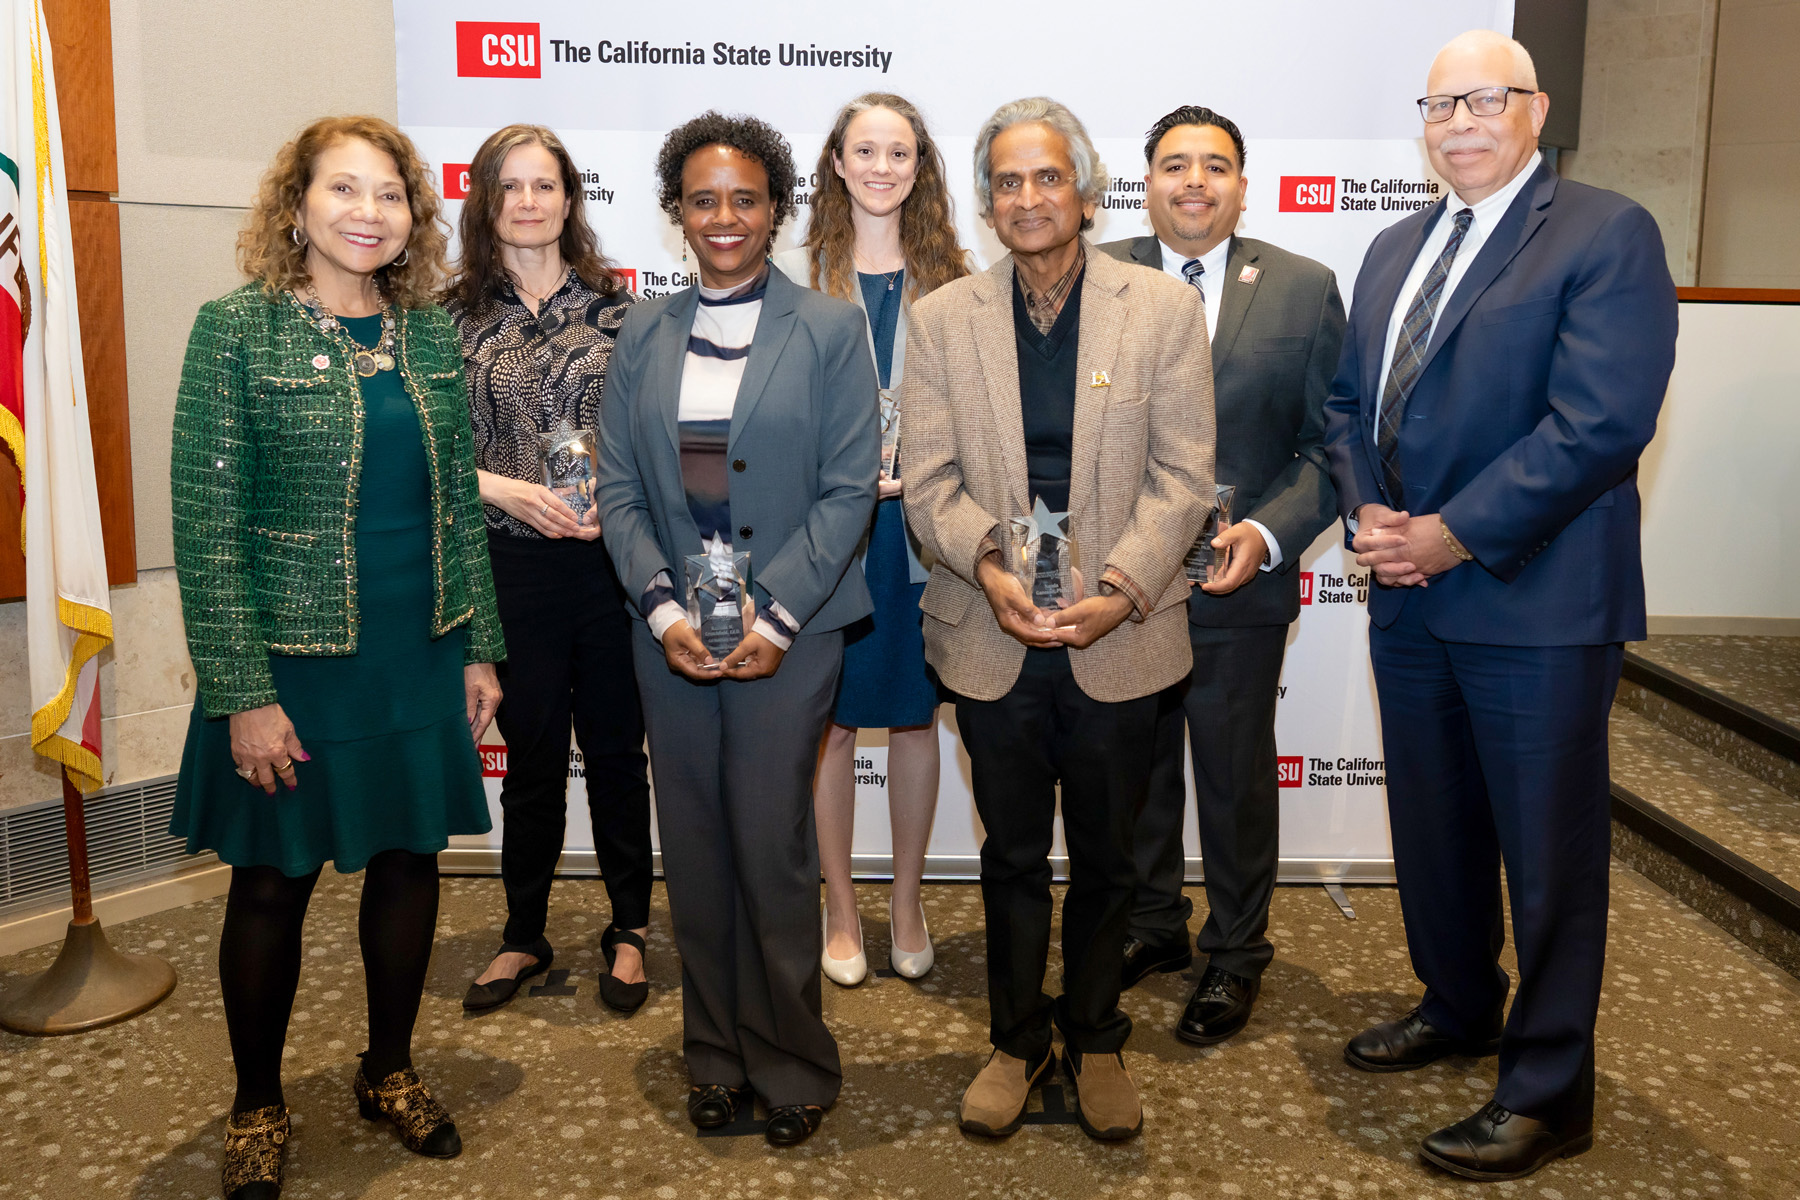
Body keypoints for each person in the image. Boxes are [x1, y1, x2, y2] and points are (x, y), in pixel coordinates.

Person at [1322, 31, 1677, 1182]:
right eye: (1439, 106)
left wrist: (1451, 533)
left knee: (1549, 855)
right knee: (1435, 831)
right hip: (1409, 597)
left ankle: (1547, 1091)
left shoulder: (1604, 231)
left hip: (1536, 605)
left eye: (1485, 100)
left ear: (1536, 108)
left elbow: (1598, 425)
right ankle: (1458, 1005)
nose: (1460, 122)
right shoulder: (1389, 249)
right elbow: (1344, 406)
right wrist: (1372, 517)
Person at [169, 116, 504, 1200]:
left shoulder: (431, 337)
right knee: (271, 886)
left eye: (390, 194)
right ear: (297, 206)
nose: (368, 212)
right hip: (293, 665)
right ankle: (257, 1102)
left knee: (410, 868)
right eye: (343, 190)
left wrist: (479, 650)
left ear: (414, 216)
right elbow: (205, 525)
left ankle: (388, 1069)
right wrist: (242, 693)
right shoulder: (237, 332)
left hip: (419, 648)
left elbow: (459, 506)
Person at [902, 97, 1213, 1143]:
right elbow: (929, 482)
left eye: (1047, 178)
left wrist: (1118, 589)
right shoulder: (943, 319)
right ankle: (1015, 1035)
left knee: (1113, 861)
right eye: (1006, 181)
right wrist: (990, 566)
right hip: (992, 633)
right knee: (1012, 856)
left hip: (1120, 632)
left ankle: (1095, 1035)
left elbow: (1184, 477)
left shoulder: (1160, 309)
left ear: (1085, 191)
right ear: (987, 203)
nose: (1027, 199)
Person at [596, 111, 878, 1149]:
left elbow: (851, 490)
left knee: (771, 846)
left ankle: (793, 1057)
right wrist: (665, 611)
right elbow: (621, 492)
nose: (725, 217)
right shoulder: (643, 330)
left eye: (745, 198)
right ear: (678, 214)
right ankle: (714, 1053)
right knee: (699, 849)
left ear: (777, 210)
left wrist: (780, 614)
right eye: (704, 199)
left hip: (791, 633)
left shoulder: (832, 329)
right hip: (668, 633)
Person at [1098, 106, 1345, 1044]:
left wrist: (1272, 534)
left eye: (1214, 166)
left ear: (1243, 184)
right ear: (1146, 181)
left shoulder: (1303, 286)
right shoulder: (1096, 273)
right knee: (1139, 773)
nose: (1193, 181)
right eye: (1174, 165)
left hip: (1239, 586)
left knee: (1234, 777)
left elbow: (1331, 444)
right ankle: (1155, 926)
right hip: (1121, 585)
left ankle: (1235, 953)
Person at [445, 124, 654, 1016]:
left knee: (614, 754)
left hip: (610, 568)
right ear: (486, 201)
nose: (529, 202)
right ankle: (523, 934)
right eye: (510, 187)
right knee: (528, 760)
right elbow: (429, 453)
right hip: (506, 566)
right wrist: (509, 490)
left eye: (545, 185)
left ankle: (631, 931)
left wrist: (622, 491)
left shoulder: (624, 312)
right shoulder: (442, 320)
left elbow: (654, 435)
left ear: (571, 199)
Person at [774, 93, 970, 987]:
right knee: (833, 727)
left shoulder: (961, 280)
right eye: (867, 151)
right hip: (828, 534)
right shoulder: (794, 274)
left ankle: (906, 900)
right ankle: (841, 906)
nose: (883, 167)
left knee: (918, 719)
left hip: (923, 538)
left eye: (901, 152)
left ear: (920, 166)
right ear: (838, 163)